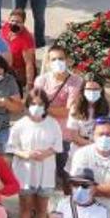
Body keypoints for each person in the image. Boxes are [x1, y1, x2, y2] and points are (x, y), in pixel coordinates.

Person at [7, 91, 63, 218]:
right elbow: (12, 146)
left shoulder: (53, 124)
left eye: (40, 104)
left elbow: (57, 146)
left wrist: (45, 153)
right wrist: (26, 154)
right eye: (33, 103)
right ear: (28, 104)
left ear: (45, 106)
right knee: (25, 207)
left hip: (45, 172)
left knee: (41, 208)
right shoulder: (20, 124)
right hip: (25, 172)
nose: (36, 107)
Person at [33, 46, 81, 179]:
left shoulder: (76, 82)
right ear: (48, 62)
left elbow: (68, 111)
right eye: (53, 59)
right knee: (42, 174)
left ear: (68, 60)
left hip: (64, 136)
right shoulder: (41, 80)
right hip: (43, 133)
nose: (57, 62)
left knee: (63, 174)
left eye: (61, 58)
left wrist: (44, 109)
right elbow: (34, 106)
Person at [66, 77, 110, 148]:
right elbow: (74, 136)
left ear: (101, 90)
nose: (92, 92)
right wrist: (93, 145)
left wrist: (101, 146)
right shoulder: (75, 109)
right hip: (79, 148)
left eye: (95, 89)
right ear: (83, 90)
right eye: (89, 89)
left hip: (103, 148)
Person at [1, 9, 38, 89]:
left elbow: (29, 64)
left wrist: (30, 83)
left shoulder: (27, 40)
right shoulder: (6, 27)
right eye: (12, 20)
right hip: (4, 66)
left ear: (23, 23)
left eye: (18, 22)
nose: (14, 23)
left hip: (17, 72)